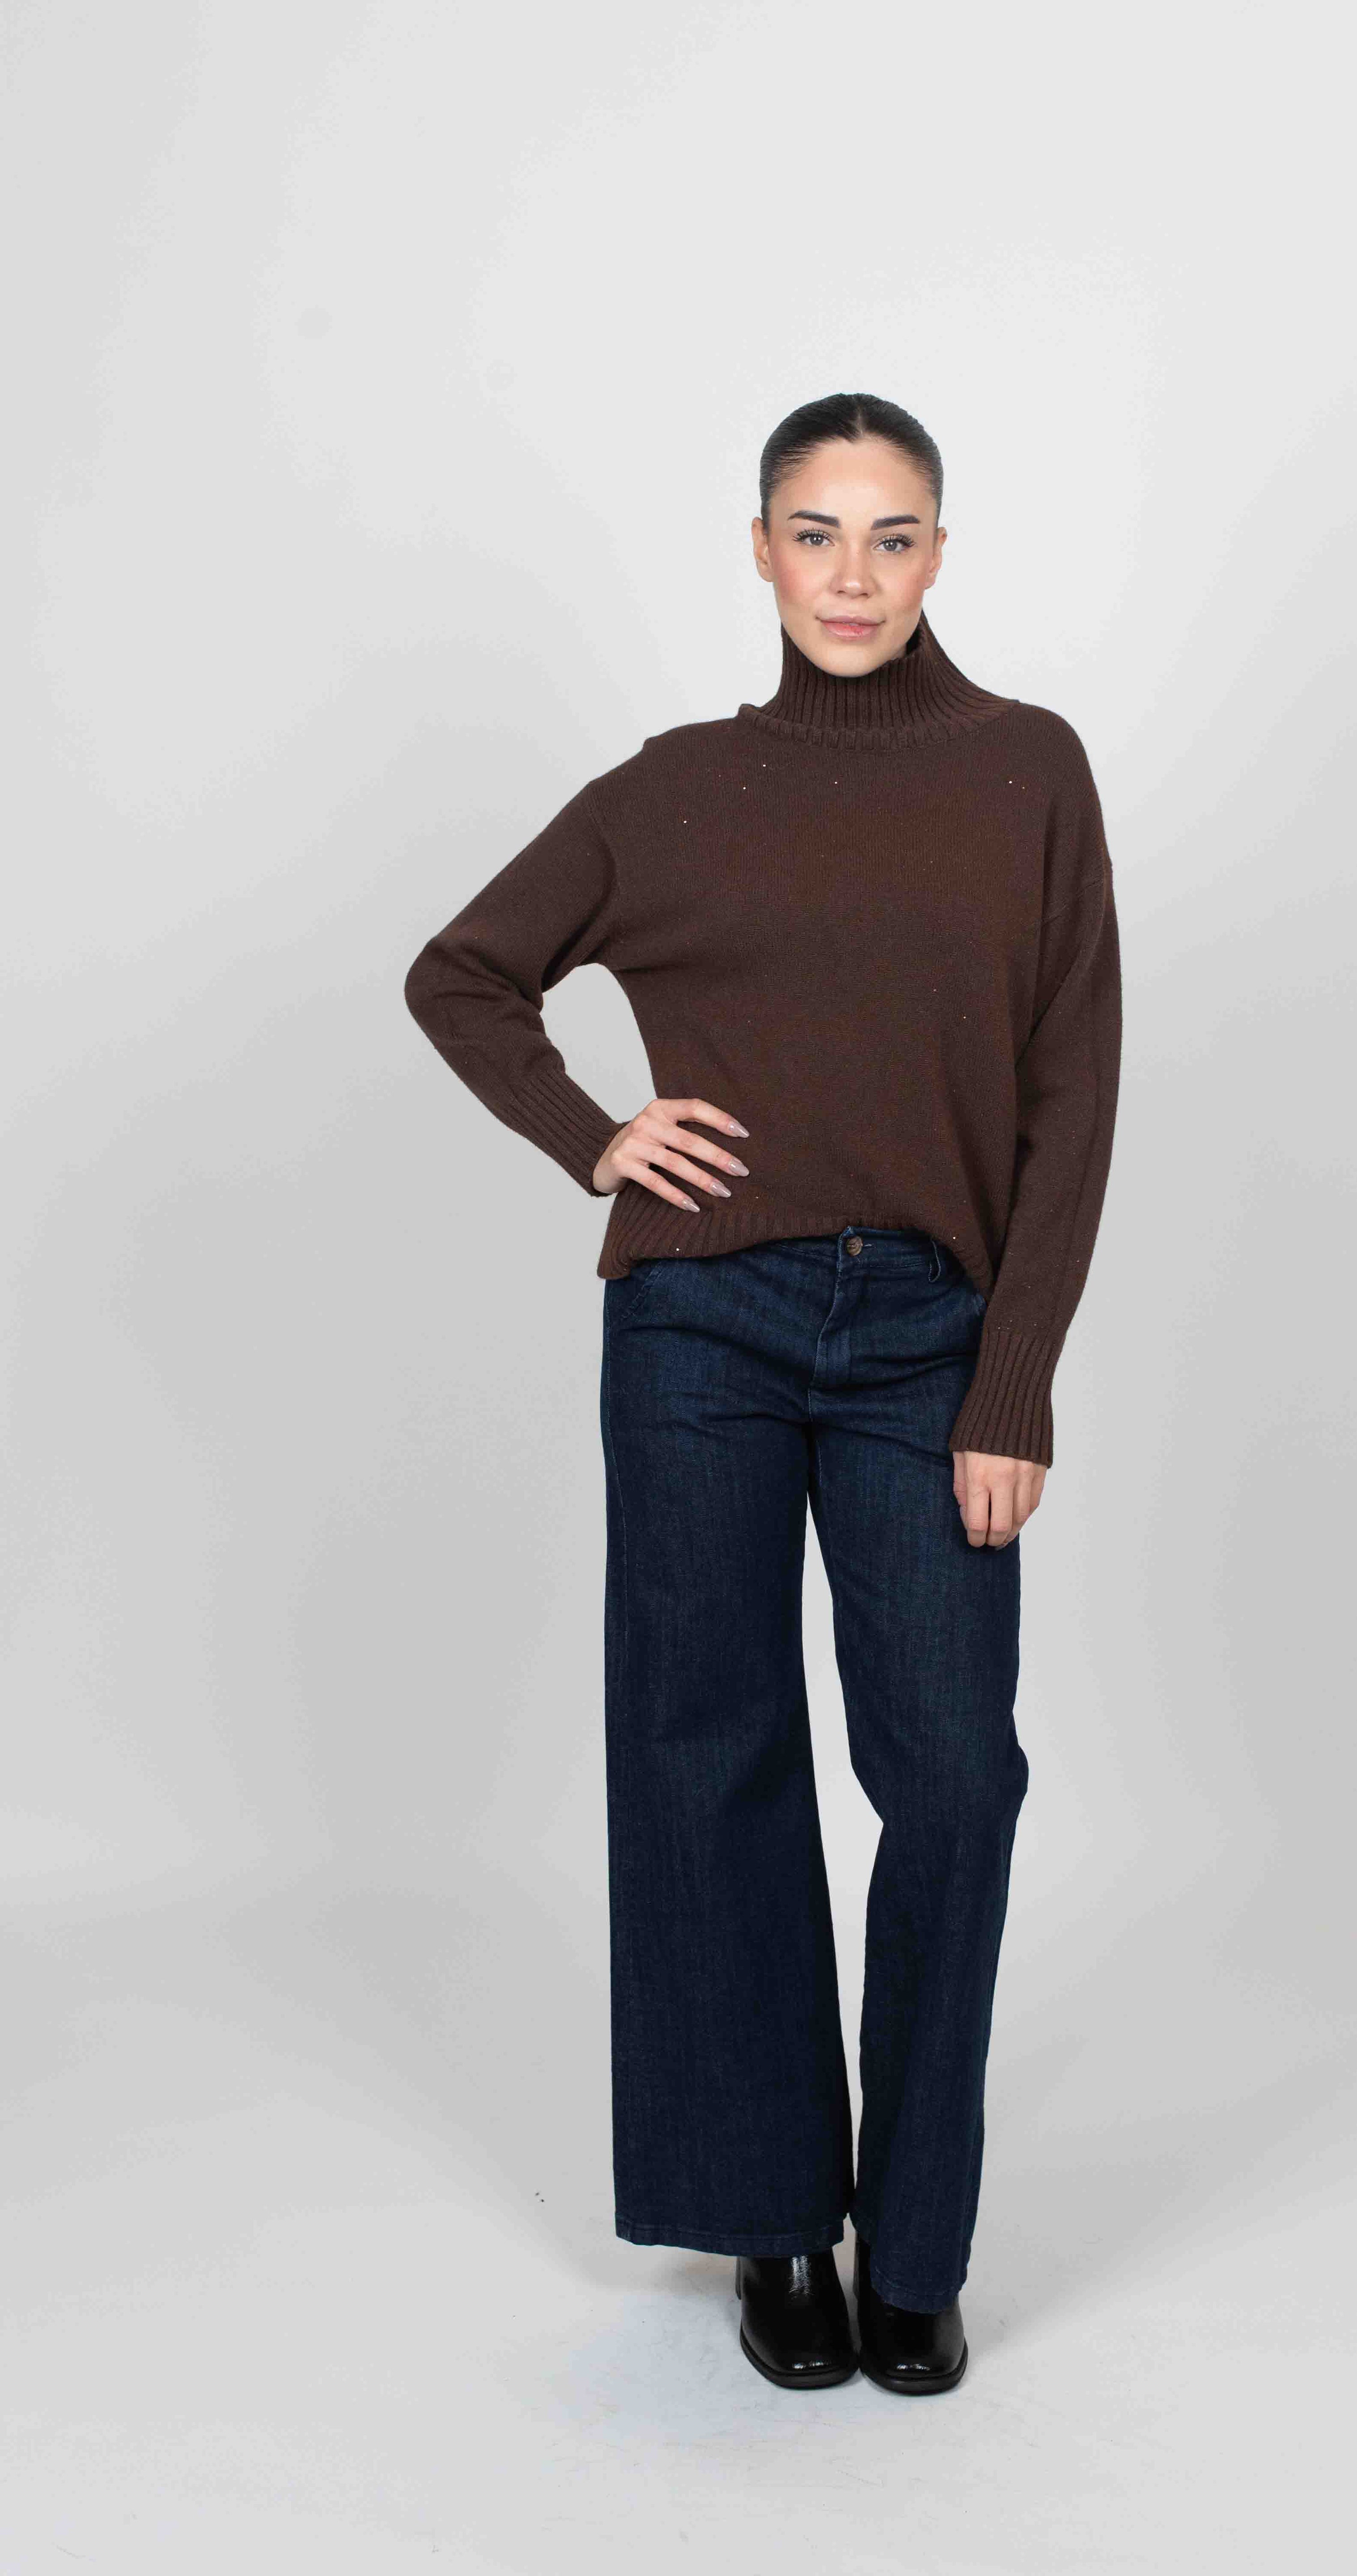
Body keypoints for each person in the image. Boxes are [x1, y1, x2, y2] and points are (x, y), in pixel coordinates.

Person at [403, 392, 1123, 2395]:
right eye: (816, 533)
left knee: (952, 1776)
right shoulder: (675, 791)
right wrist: (597, 1138)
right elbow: (463, 973)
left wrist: (1014, 1383)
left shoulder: (1028, 771)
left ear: (940, 555)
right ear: (757, 550)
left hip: (929, 1338)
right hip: (700, 1328)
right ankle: (770, 2223)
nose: (852, 576)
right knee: (706, 1752)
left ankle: (917, 2242)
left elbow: (1071, 1095)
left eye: (891, 536)